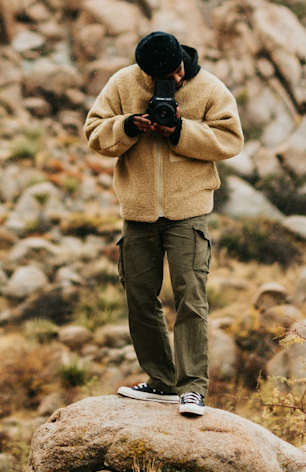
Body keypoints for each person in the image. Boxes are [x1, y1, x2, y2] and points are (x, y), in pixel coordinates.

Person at [84, 31, 243, 417]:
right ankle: (161, 382)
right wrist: (127, 127)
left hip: (188, 211)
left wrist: (180, 132)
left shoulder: (208, 87)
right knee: (140, 297)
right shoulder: (122, 83)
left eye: (173, 75)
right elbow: (94, 132)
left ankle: (192, 390)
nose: (167, 83)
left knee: (191, 295)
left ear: (181, 64)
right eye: (157, 77)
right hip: (137, 212)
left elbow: (230, 139)